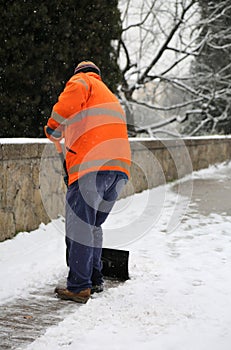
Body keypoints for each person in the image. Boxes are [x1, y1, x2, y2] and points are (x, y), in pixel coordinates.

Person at [44, 61, 131, 303]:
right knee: (93, 226)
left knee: (80, 227)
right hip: (119, 170)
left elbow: (67, 104)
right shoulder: (110, 97)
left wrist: (53, 126)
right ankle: (94, 278)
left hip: (91, 167)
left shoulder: (82, 82)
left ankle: (79, 286)